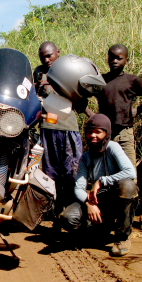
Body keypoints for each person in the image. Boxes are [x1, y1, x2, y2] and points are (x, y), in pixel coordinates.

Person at [61, 114, 138, 256]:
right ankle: (101, 230)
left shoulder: (113, 147)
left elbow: (130, 172)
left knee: (128, 186)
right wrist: (89, 203)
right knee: (69, 218)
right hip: (97, 200)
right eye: (90, 132)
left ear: (106, 133)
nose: (93, 136)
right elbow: (79, 187)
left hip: (115, 198)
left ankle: (122, 238)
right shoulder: (86, 157)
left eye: (98, 132)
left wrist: (102, 181)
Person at [34, 42, 88, 217]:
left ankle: (75, 210)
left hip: (67, 127)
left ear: (58, 53)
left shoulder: (69, 69)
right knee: (51, 171)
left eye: (50, 55)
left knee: (72, 170)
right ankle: (55, 210)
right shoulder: (38, 73)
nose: (47, 59)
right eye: (43, 56)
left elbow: (81, 99)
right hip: (47, 128)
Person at [93, 44, 142, 167]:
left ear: (127, 60)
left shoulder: (132, 80)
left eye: (119, 58)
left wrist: (138, 109)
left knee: (129, 171)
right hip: (104, 134)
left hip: (125, 133)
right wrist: (91, 115)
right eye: (111, 58)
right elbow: (81, 97)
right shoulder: (100, 80)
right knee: (105, 169)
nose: (114, 61)